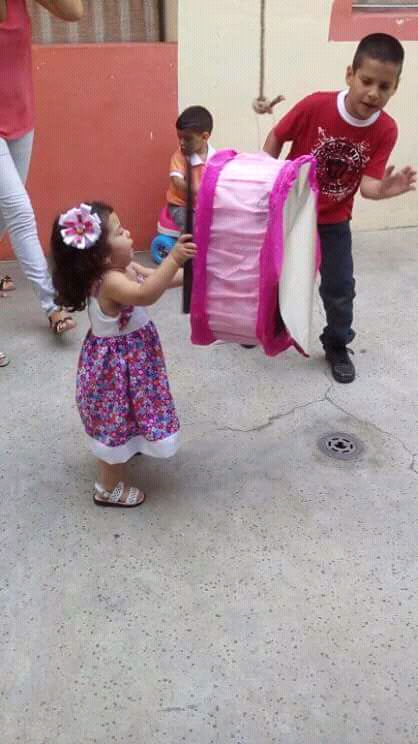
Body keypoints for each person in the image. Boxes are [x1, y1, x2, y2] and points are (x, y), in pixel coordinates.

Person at [264, 33, 416, 383]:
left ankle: (336, 343)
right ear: (350, 74)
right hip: (292, 210)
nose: (373, 93)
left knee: (340, 287)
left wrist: (386, 190)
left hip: (334, 220)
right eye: (366, 81)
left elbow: (368, 187)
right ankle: (268, 323)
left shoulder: (385, 130)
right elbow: (277, 135)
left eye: (384, 86)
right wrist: (265, 174)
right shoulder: (315, 106)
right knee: (276, 273)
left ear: (395, 88)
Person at [51, 202, 197, 507]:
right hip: (115, 371)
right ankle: (107, 488)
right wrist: (173, 258)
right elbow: (146, 294)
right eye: (120, 232)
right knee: (113, 425)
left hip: (133, 364)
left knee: (133, 411)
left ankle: (131, 445)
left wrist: (191, 273)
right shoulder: (110, 282)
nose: (128, 233)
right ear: (102, 255)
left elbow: (157, 279)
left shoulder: (124, 269)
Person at [0, 0, 84, 334]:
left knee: (4, 212)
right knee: (19, 211)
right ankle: (52, 305)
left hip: (20, 116)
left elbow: (74, 11)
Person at [166, 105, 216, 231]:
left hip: (203, 206)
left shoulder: (214, 158)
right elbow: (176, 181)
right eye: (179, 138)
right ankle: (188, 242)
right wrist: (196, 190)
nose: (181, 143)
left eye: (187, 139)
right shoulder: (180, 156)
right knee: (193, 227)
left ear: (204, 137)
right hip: (181, 205)